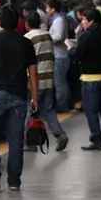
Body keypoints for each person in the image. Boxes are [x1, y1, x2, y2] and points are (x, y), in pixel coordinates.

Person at [0, 4, 38, 192]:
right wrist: (35, 97)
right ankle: (14, 181)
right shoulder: (25, 42)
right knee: (16, 138)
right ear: (18, 22)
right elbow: (33, 73)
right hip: (18, 96)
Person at [73, 8, 101, 150]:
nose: (82, 22)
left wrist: (71, 52)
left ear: (91, 21)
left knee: (91, 109)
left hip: (90, 77)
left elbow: (78, 55)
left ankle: (96, 139)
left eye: (84, 20)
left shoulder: (85, 36)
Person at [24, 11, 70, 151]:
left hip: (34, 81)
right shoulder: (47, 35)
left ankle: (30, 142)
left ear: (27, 24)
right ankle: (60, 134)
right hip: (48, 79)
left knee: (29, 110)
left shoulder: (27, 38)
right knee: (48, 109)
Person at [44, 0, 71, 112]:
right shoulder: (58, 19)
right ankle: (65, 103)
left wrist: (47, 38)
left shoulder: (58, 20)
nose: (46, 10)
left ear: (53, 9)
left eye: (47, 7)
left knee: (60, 83)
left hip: (59, 55)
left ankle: (62, 105)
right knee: (62, 81)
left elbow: (59, 36)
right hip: (60, 54)